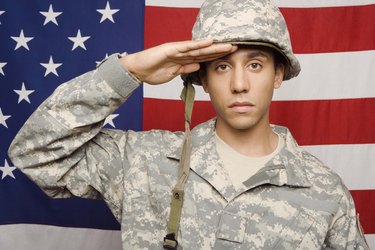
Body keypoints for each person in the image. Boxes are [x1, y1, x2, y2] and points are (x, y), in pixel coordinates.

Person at [8, 0, 369, 249]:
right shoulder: (143, 162)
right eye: (222, 66)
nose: (239, 84)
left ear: (279, 75)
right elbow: (36, 153)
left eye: (255, 65)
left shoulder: (325, 191)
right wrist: (129, 71)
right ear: (203, 80)